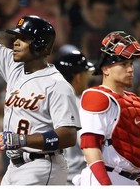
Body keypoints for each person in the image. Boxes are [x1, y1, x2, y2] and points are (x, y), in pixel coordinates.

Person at [0, 0, 81, 185]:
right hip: (14, 166)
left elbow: (68, 136)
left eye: (24, 39)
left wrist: (24, 140)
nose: (16, 43)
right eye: (16, 37)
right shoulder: (13, 66)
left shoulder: (56, 84)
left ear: (40, 45)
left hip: (43, 165)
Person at [73, 31, 140, 185]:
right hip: (104, 176)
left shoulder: (136, 101)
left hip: (130, 180)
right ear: (106, 69)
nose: (130, 69)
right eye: (123, 64)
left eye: (131, 64)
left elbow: (137, 152)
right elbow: (90, 146)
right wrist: (105, 184)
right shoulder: (96, 96)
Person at [54, 49, 94, 185]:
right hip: (75, 178)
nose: (88, 78)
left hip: (51, 176)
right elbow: (87, 144)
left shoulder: (50, 99)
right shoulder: (80, 104)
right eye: (86, 74)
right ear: (78, 77)